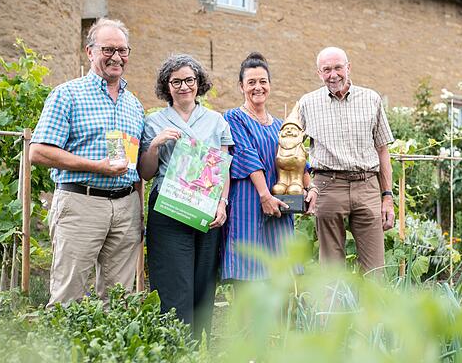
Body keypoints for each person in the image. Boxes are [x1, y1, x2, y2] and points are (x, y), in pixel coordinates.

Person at [30, 17, 145, 307]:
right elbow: (39, 151)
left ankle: (109, 353)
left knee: (119, 299)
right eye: (107, 50)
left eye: (122, 50)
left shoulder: (135, 105)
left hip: (126, 206)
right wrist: (97, 167)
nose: (116, 57)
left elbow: (136, 164)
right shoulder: (67, 94)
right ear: (89, 52)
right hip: (81, 202)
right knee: (69, 296)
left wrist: (139, 208)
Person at [138, 54, 233, 341]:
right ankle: (174, 346)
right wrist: (155, 145)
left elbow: (224, 167)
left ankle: (198, 346)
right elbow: (145, 172)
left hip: (205, 208)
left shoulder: (216, 121)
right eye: (176, 81)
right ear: (167, 86)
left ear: (198, 82)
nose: (183, 86)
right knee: (172, 281)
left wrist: (222, 203)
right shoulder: (153, 121)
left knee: (203, 280)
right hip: (168, 210)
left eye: (189, 80)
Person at [298, 46, 395, 275]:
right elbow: (292, 148)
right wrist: (306, 186)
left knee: (375, 269)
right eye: (327, 69)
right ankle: (333, 312)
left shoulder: (371, 99)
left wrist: (387, 196)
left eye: (338, 68)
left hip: (367, 186)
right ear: (318, 73)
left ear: (348, 67)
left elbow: (382, 151)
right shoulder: (307, 103)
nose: (333, 75)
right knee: (331, 270)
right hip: (327, 186)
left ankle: (373, 312)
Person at [221, 52, 316, 282]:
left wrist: (310, 188)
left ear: (270, 85)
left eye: (263, 81)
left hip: (280, 205)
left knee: (280, 278)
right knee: (249, 278)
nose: (258, 87)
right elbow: (247, 155)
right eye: (251, 82)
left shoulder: (280, 125)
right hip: (248, 203)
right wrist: (264, 196)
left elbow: (298, 158)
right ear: (241, 86)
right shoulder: (234, 117)